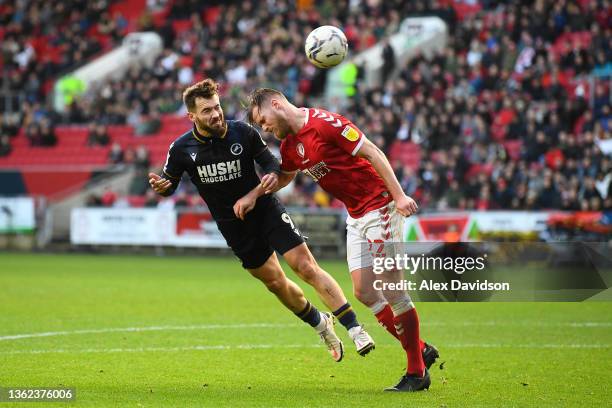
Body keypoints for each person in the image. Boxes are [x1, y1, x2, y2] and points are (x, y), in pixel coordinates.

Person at [148, 79, 374, 363]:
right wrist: (163, 187)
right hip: (232, 225)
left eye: (216, 107)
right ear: (192, 116)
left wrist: (265, 180)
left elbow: (271, 165)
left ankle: (354, 328)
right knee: (276, 282)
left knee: (305, 267)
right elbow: (170, 182)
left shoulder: (243, 132)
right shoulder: (181, 148)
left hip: (265, 209)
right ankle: (320, 324)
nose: (215, 114)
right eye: (206, 111)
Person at [246, 88, 439, 392]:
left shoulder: (325, 123)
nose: (264, 127)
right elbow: (286, 175)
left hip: (381, 206)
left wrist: (400, 196)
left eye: (263, 120)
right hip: (356, 215)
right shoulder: (290, 145)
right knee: (364, 292)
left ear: (275, 104)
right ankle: (421, 348)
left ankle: (417, 371)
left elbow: (373, 152)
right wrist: (257, 193)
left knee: (391, 288)